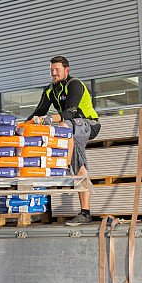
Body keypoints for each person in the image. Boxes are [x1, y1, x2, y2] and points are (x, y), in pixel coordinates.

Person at [27, 55, 100, 226]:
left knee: (63, 124)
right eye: (51, 70)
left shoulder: (74, 85)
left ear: (67, 70)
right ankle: (85, 212)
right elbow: (39, 111)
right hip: (70, 128)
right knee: (80, 167)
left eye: (57, 70)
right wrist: (22, 127)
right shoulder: (50, 90)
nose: (53, 73)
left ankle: (63, 166)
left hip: (88, 123)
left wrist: (50, 119)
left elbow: (71, 112)